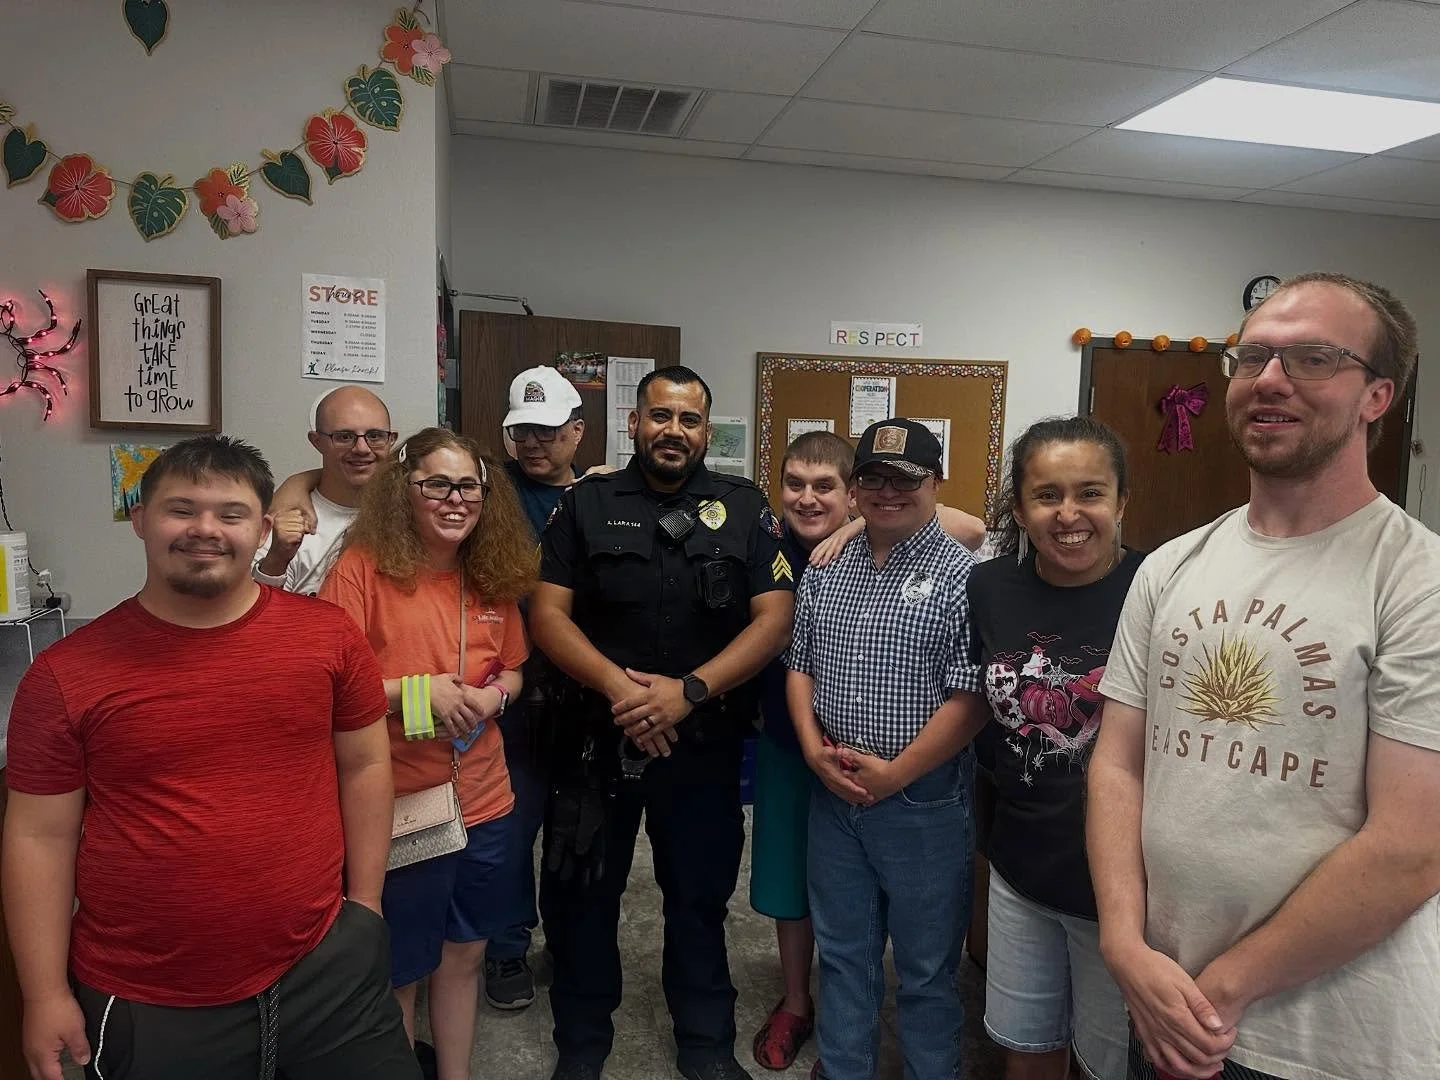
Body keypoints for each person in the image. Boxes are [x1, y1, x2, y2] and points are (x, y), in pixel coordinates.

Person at [1089, 272, 1440, 1080]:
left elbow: (1412, 846)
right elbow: (1118, 763)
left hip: (1323, 1042)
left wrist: (1224, 989)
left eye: (1313, 358)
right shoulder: (1173, 565)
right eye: (1252, 358)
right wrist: (1123, 942)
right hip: (1163, 996)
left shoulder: (1413, 580)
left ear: (1377, 395)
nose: (1271, 380)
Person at [3, 435, 417, 1080]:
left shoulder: (326, 636)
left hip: (328, 967)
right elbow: (37, 834)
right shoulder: (66, 675)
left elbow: (363, 766)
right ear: (140, 518)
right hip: (151, 997)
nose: (204, 530)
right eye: (180, 509)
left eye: (230, 513)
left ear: (261, 531)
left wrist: (365, 907)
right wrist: (43, 994)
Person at [530, 365, 796, 1080]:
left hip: (701, 744)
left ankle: (705, 1044)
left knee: (700, 899)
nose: (673, 431)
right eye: (659, 416)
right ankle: (582, 1046)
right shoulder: (585, 506)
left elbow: (774, 619)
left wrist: (689, 692)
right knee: (584, 901)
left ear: (706, 431)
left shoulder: (744, 509)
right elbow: (547, 613)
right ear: (633, 424)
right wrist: (624, 690)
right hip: (595, 741)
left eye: (688, 419)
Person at [750, 432, 986, 1072]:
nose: (889, 492)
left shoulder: (966, 576)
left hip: (922, 800)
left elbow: (970, 699)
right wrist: (812, 751)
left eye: (905, 479)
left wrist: (895, 775)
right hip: (834, 791)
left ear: (935, 481)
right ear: (857, 487)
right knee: (845, 954)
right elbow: (799, 668)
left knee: (926, 968)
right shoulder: (829, 568)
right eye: (875, 479)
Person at [319, 428, 536, 1080]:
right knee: (402, 969)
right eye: (436, 483)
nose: (454, 498)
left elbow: (516, 671)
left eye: (468, 484)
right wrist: (421, 695)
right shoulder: (361, 567)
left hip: (484, 800)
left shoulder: (490, 569)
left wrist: (492, 700)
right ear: (403, 488)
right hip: (399, 804)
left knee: (465, 955)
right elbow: (328, 686)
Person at [967, 417, 1140, 1080]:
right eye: (1046, 495)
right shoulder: (988, 587)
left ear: (1122, 501)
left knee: (1111, 1062)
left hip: (1123, 884)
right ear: (1019, 506)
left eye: (1090, 493)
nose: (1069, 514)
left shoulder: (1158, 588)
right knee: (1027, 1048)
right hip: (1020, 867)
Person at [485, 366, 587, 1011]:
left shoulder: (603, 498)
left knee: (578, 828)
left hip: (581, 691)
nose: (534, 443)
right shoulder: (490, 491)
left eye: (548, 431)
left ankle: (571, 944)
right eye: (523, 430)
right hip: (513, 691)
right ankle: (506, 949)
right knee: (511, 826)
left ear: (577, 431)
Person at [254, 385, 396, 594]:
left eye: (375, 436)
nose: (362, 449)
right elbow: (255, 614)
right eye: (344, 437)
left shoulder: (413, 512)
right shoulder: (285, 523)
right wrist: (277, 560)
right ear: (316, 441)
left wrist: (298, 480)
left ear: (391, 440)